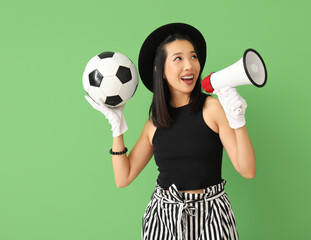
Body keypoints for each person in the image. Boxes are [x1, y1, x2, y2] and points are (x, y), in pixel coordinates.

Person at [85, 23, 256, 240]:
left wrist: (238, 121)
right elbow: (123, 177)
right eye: (178, 59)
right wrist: (117, 127)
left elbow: (247, 170)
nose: (190, 65)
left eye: (193, 57)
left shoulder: (212, 108)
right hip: (163, 219)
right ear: (161, 71)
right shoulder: (153, 124)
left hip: (211, 217)